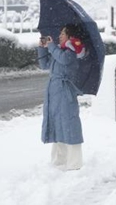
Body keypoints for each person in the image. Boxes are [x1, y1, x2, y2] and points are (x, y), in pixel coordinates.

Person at [37, 23, 88, 170]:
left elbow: (64, 60)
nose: (59, 36)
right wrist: (42, 48)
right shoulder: (60, 50)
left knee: (69, 124)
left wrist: (52, 47)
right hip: (54, 93)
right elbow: (44, 65)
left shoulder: (72, 52)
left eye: (63, 34)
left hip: (65, 93)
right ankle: (59, 160)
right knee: (57, 124)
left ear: (70, 37)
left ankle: (74, 163)